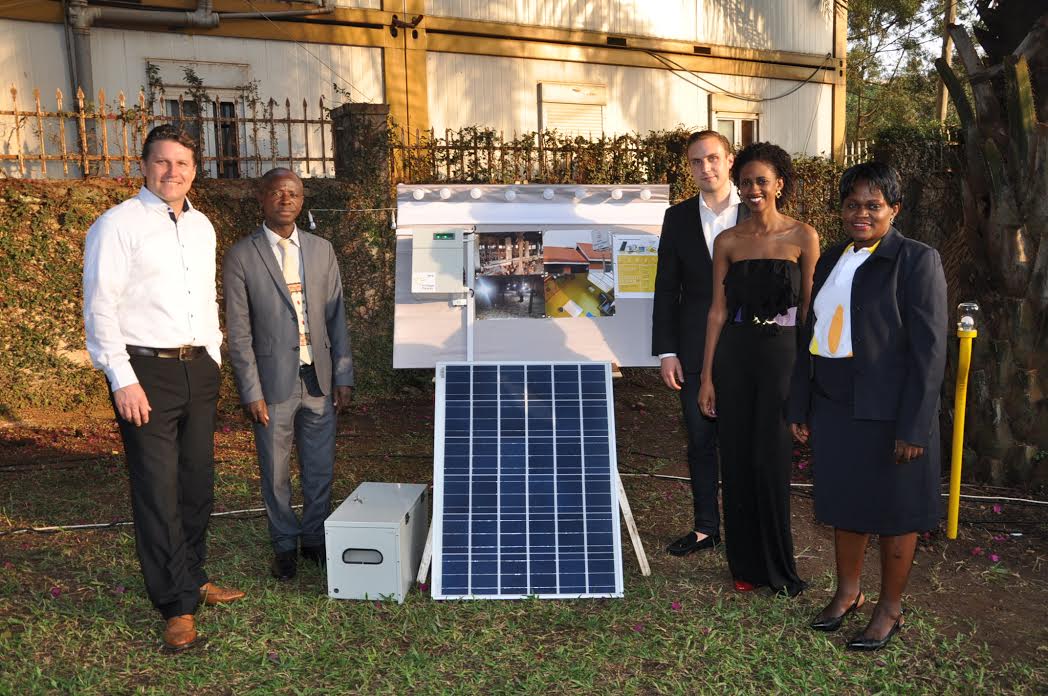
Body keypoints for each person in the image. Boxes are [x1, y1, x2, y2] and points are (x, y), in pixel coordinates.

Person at [83, 125, 244, 653]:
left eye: (183, 163)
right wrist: (121, 378)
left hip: (198, 369)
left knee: (197, 482)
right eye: (162, 162)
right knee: (158, 488)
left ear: (195, 169)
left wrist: (214, 357)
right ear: (145, 166)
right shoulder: (117, 225)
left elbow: (205, 299)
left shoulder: (202, 227)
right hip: (145, 373)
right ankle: (175, 606)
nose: (172, 172)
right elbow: (100, 308)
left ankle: (193, 576)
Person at [788, 162, 947, 650]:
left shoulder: (916, 260)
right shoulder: (834, 256)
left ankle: (889, 609)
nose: (861, 212)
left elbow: (930, 348)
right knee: (845, 504)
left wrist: (915, 427)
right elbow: (808, 335)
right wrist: (800, 405)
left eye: (873, 205)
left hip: (891, 410)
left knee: (897, 511)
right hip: (835, 405)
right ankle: (848, 594)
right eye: (852, 204)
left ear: (894, 210)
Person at [697, 142, 818, 597]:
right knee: (737, 459)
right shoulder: (727, 241)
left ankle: (778, 567)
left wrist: (809, 375)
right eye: (745, 182)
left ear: (778, 185)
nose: (752, 189)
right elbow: (716, 312)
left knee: (771, 460)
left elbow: (808, 310)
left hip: (783, 356)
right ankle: (744, 568)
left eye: (761, 181)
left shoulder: (803, 236)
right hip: (735, 355)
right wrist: (707, 377)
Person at [223, 167, 354, 581]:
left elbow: (337, 318)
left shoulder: (321, 250)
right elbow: (239, 331)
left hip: (318, 379)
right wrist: (250, 390)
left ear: (302, 200)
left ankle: (314, 537)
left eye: (293, 193)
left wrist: (343, 375)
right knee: (275, 469)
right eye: (277, 192)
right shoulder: (242, 255)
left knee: (320, 467)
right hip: (272, 384)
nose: (285, 199)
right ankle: (283, 542)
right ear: (261, 198)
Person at [652, 130, 749, 557]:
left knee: (744, 440)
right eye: (696, 162)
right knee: (699, 438)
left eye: (713, 158)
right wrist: (666, 350)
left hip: (749, 344)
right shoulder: (677, 218)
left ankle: (749, 527)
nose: (706, 168)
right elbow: (665, 288)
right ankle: (706, 527)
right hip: (692, 348)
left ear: (730, 160)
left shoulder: (757, 212)